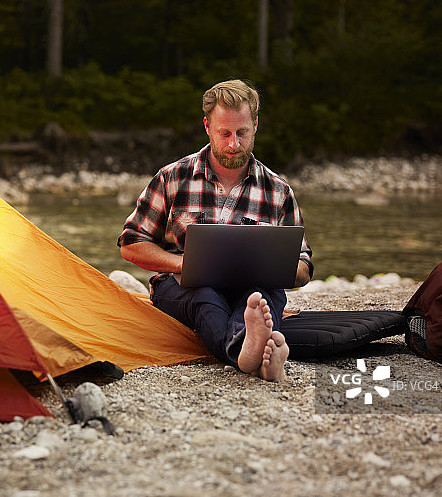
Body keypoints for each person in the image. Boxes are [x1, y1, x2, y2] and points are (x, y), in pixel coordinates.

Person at [117, 79, 313, 381]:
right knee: (204, 295)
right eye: (225, 133)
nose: (234, 144)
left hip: (250, 288)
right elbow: (130, 243)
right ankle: (248, 352)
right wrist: (182, 263)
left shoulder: (277, 191)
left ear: (256, 125)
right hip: (183, 286)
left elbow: (304, 267)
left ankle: (248, 350)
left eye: (242, 132)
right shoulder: (172, 177)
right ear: (207, 126)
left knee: (261, 296)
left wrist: (274, 268)